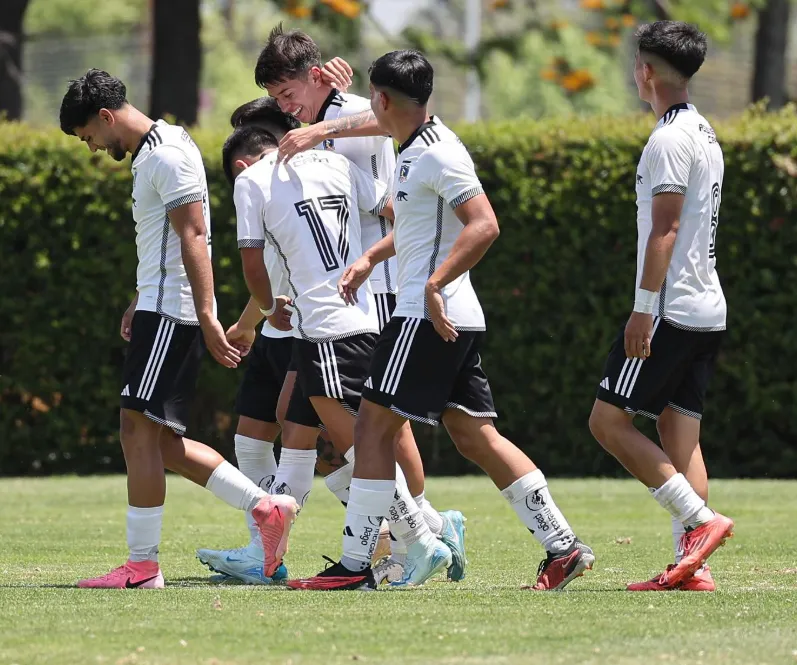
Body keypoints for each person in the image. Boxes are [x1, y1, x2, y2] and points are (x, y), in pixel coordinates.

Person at [287, 50, 594, 592]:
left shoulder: (436, 153)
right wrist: (370, 258)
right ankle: (563, 546)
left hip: (425, 316)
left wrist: (432, 284)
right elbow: (420, 227)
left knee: (371, 428)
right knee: (475, 435)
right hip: (453, 316)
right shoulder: (414, 145)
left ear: (382, 99)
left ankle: (356, 566)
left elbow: (484, 224)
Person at [59, 70, 297, 589]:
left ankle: (143, 566)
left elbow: (193, 235)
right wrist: (137, 298)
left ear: (106, 117)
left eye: (88, 136)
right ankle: (266, 507)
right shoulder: (157, 149)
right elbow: (165, 242)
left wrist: (208, 316)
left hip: (171, 313)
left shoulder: (165, 154)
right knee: (162, 443)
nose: (92, 147)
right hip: (159, 306)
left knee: (134, 430)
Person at [254, 26, 466, 584]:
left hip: (375, 287)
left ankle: (421, 532)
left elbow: (387, 183)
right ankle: (408, 534)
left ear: (314, 75)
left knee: (376, 424)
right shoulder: (317, 121)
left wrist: (324, 124)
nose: (285, 108)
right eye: (277, 99)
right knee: (308, 417)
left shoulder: (351, 112)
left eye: (287, 93)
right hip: (337, 294)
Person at [224, 124, 449, 583]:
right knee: (297, 427)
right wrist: (366, 262)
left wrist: (266, 309)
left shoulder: (250, 181)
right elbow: (403, 215)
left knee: (362, 448)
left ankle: (425, 538)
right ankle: (268, 554)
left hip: (326, 328)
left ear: (243, 163)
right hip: (357, 315)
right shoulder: (335, 161)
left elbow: (252, 262)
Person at [196, 97, 386, 584]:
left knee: (350, 439)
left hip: (309, 321)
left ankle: (415, 531)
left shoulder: (278, 175)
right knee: (283, 431)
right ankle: (268, 553)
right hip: (295, 321)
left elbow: (268, 264)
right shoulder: (325, 165)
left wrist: (254, 316)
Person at [587, 21, 734, 592]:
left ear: (646, 71)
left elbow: (665, 230)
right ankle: (693, 567)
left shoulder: (669, 139)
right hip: (706, 309)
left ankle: (700, 524)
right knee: (679, 433)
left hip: (671, 311)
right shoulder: (704, 130)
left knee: (606, 421)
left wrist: (643, 309)